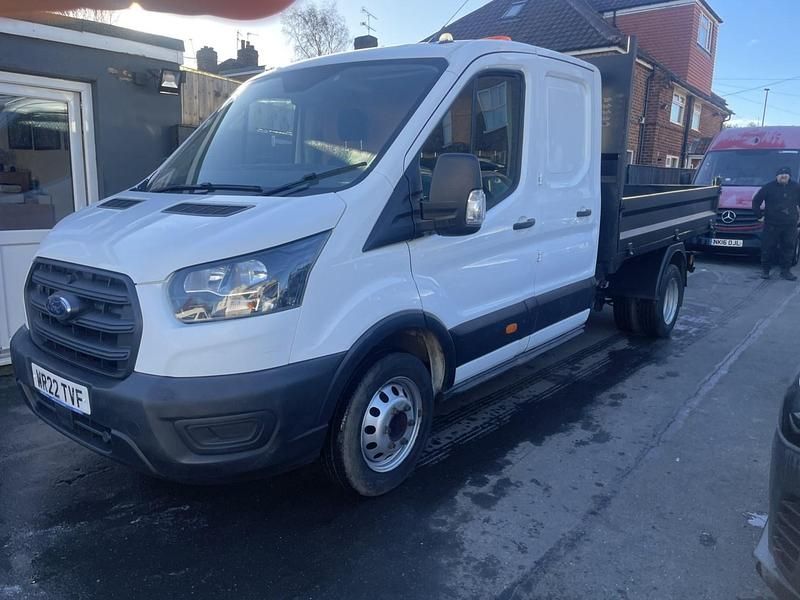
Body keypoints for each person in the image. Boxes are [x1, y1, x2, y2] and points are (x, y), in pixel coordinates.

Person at [752, 166, 800, 280]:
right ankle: (765, 271)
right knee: (768, 248)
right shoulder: (768, 187)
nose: (784, 176)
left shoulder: (796, 187)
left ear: (789, 175)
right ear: (776, 176)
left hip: (790, 225)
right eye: (781, 174)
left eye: (786, 174)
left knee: (788, 248)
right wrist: (759, 216)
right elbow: (756, 201)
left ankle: (785, 271)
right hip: (771, 224)